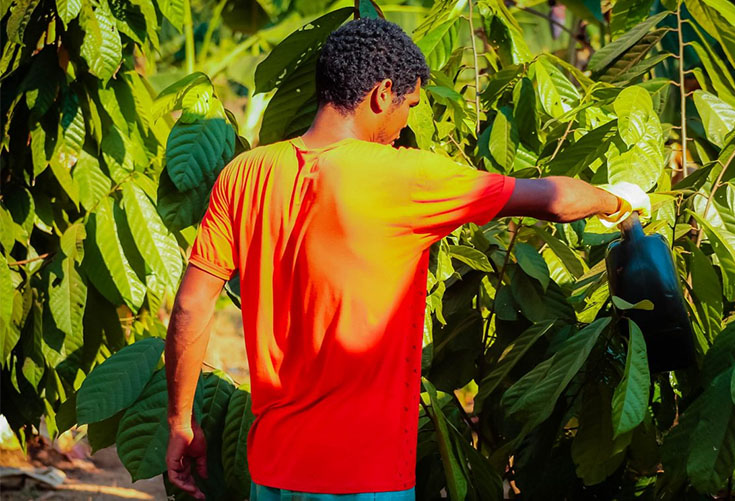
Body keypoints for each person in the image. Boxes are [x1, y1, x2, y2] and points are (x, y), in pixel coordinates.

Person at [164, 17, 649, 501]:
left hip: (273, 470)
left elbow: (191, 305)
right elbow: (554, 200)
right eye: (410, 105)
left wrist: (181, 422)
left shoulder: (244, 174)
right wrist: (617, 201)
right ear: (382, 94)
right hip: (365, 475)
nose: (406, 125)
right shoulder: (404, 177)